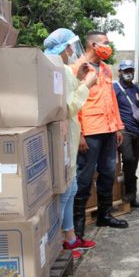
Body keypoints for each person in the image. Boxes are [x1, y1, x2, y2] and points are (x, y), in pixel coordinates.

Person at [43, 28, 98, 259]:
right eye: (70, 46)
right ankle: (64, 240)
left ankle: (70, 238)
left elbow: (64, 95)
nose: (71, 51)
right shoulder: (61, 68)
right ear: (65, 47)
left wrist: (77, 79)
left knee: (71, 187)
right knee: (66, 190)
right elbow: (68, 106)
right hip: (65, 135)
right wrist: (87, 84)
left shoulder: (56, 67)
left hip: (66, 135)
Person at [72, 31, 128, 239]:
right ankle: (78, 225)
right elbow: (74, 101)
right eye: (105, 43)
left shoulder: (105, 69)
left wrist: (118, 127)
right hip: (90, 131)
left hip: (108, 130)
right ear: (92, 45)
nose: (108, 46)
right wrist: (79, 134)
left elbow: (111, 98)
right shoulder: (78, 68)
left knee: (108, 173)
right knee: (84, 177)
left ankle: (105, 215)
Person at [113, 59, 139, 208]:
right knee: (129, 159)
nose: (128, 74)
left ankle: (132, 197)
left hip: (136, 131)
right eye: (126, 71)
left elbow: (137, 107)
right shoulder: (115, 88)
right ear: (120, 72)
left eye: (131, 71)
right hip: (123, 130)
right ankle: (127, 193)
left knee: (134, 164)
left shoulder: (136, 89)